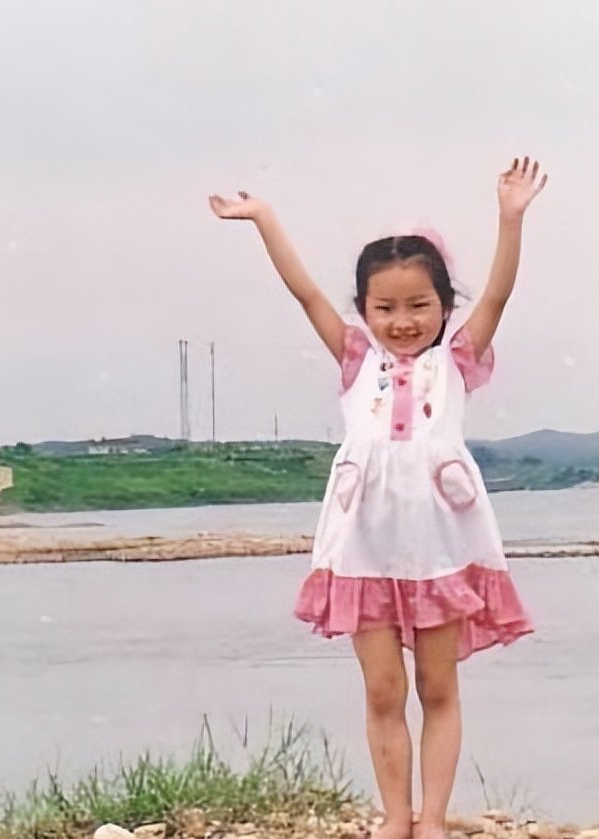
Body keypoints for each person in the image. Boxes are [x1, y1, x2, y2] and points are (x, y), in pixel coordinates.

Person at [208, 157, 547, 839]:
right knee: (384, 690)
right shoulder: (357, 361)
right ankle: (396, 815)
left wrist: (509, 220)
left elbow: (499, 296)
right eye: (385, 307)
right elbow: (306, 292)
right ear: (364, 310)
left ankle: (432, 818)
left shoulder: (454, 363)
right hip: (364, 549)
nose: (402, 321)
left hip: (440, 550)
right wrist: (265, 219)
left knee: (439, 688)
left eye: (419, 305)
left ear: (444, 307)